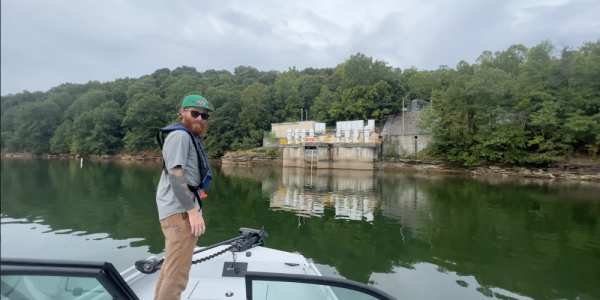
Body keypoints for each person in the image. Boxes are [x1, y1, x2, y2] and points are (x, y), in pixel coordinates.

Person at [153, 94, 214, 300]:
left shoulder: (187, 136)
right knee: (177, 275)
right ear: (182, 113)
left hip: (179, 211)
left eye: (204, 116)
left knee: (171, 269)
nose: (199, 118)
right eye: (194, 113)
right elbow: (175, 175)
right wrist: (193, 212)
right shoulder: (180, 136)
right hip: (181, 213)